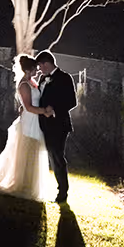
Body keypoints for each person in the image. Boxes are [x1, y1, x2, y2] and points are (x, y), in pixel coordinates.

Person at [0, 54, 57, 201]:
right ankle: (24, 185)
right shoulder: (24, 85)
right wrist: (45, 111)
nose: (38, 71)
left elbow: (31, 103)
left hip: (36, 120)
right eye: (36, 69)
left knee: (36, 151)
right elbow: (29, 107)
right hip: (30, 121)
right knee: (28, 151)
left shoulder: (32, 82)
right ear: (29, 70)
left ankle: (31, 185)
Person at [35, 50, 76, 204]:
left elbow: (72, 101)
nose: (39, 69)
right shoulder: (42, 79)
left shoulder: (65, 78)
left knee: (57, 156)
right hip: (42, 124)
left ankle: (63, 192)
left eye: (40, 66)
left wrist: (54, 108)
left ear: (47, 63)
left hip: (59, 124)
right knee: (48, 157)